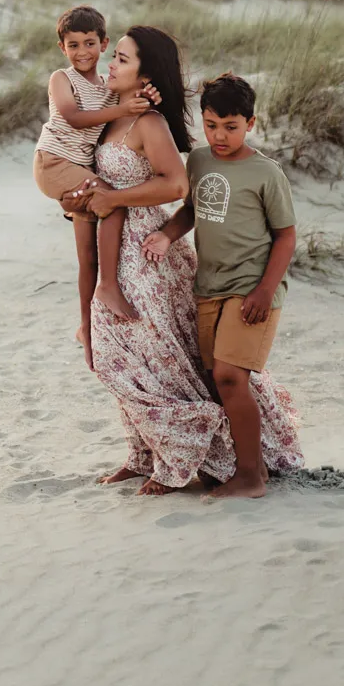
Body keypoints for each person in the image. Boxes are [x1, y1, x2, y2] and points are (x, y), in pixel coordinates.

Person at [61, 28, 302, 495]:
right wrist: (85, 196)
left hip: (146, 257)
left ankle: (191, 454)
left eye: (122, 58)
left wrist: (118, 201)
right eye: (114, 55)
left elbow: (174, 188)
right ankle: (145, 453)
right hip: (135, 249)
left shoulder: (148, 124)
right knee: (129, 360)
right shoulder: (110, 117)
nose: (109, 63)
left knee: (146, 361)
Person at [143, 73, 299, 500]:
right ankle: (243, 464)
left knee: (231, 377)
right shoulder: (198, 162)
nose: (219, 135)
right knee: (215, 381)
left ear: (251, 123)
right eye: (211, 125)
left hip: (253, 289)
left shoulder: (266, 172)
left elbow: (286, 235)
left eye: (230, 126)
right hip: (208, 287)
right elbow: (192, 209)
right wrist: (168, 234)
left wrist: (266, 290)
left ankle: (251, 476)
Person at [33, 5, 159, 328]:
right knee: (112, 202)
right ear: (62, 48)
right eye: (72, 45)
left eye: (90, 43)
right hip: (54, 162)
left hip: (83, 170)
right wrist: (120, 110)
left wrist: (149, 95)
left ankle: (86, 327)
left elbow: (131, 98)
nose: (82, 52)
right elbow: (73, 117)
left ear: (104, 44)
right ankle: (109, 287)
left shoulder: (107, 87)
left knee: (87, 255)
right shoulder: (61, 79)